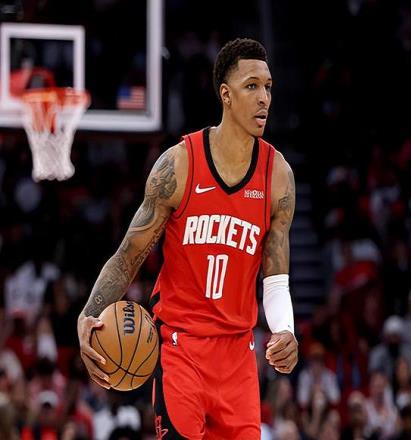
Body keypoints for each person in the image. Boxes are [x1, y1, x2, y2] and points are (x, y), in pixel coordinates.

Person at [77, 38, 298, 439]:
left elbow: (276, 277)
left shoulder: (278, 176)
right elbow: (128, 256)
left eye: (268, 87)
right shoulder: (179, 165)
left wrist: (285, 328)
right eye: (251, 86)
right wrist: (88, 313)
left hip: (238, 355)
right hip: (181, 348)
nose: (263, 97)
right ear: (226, 95)